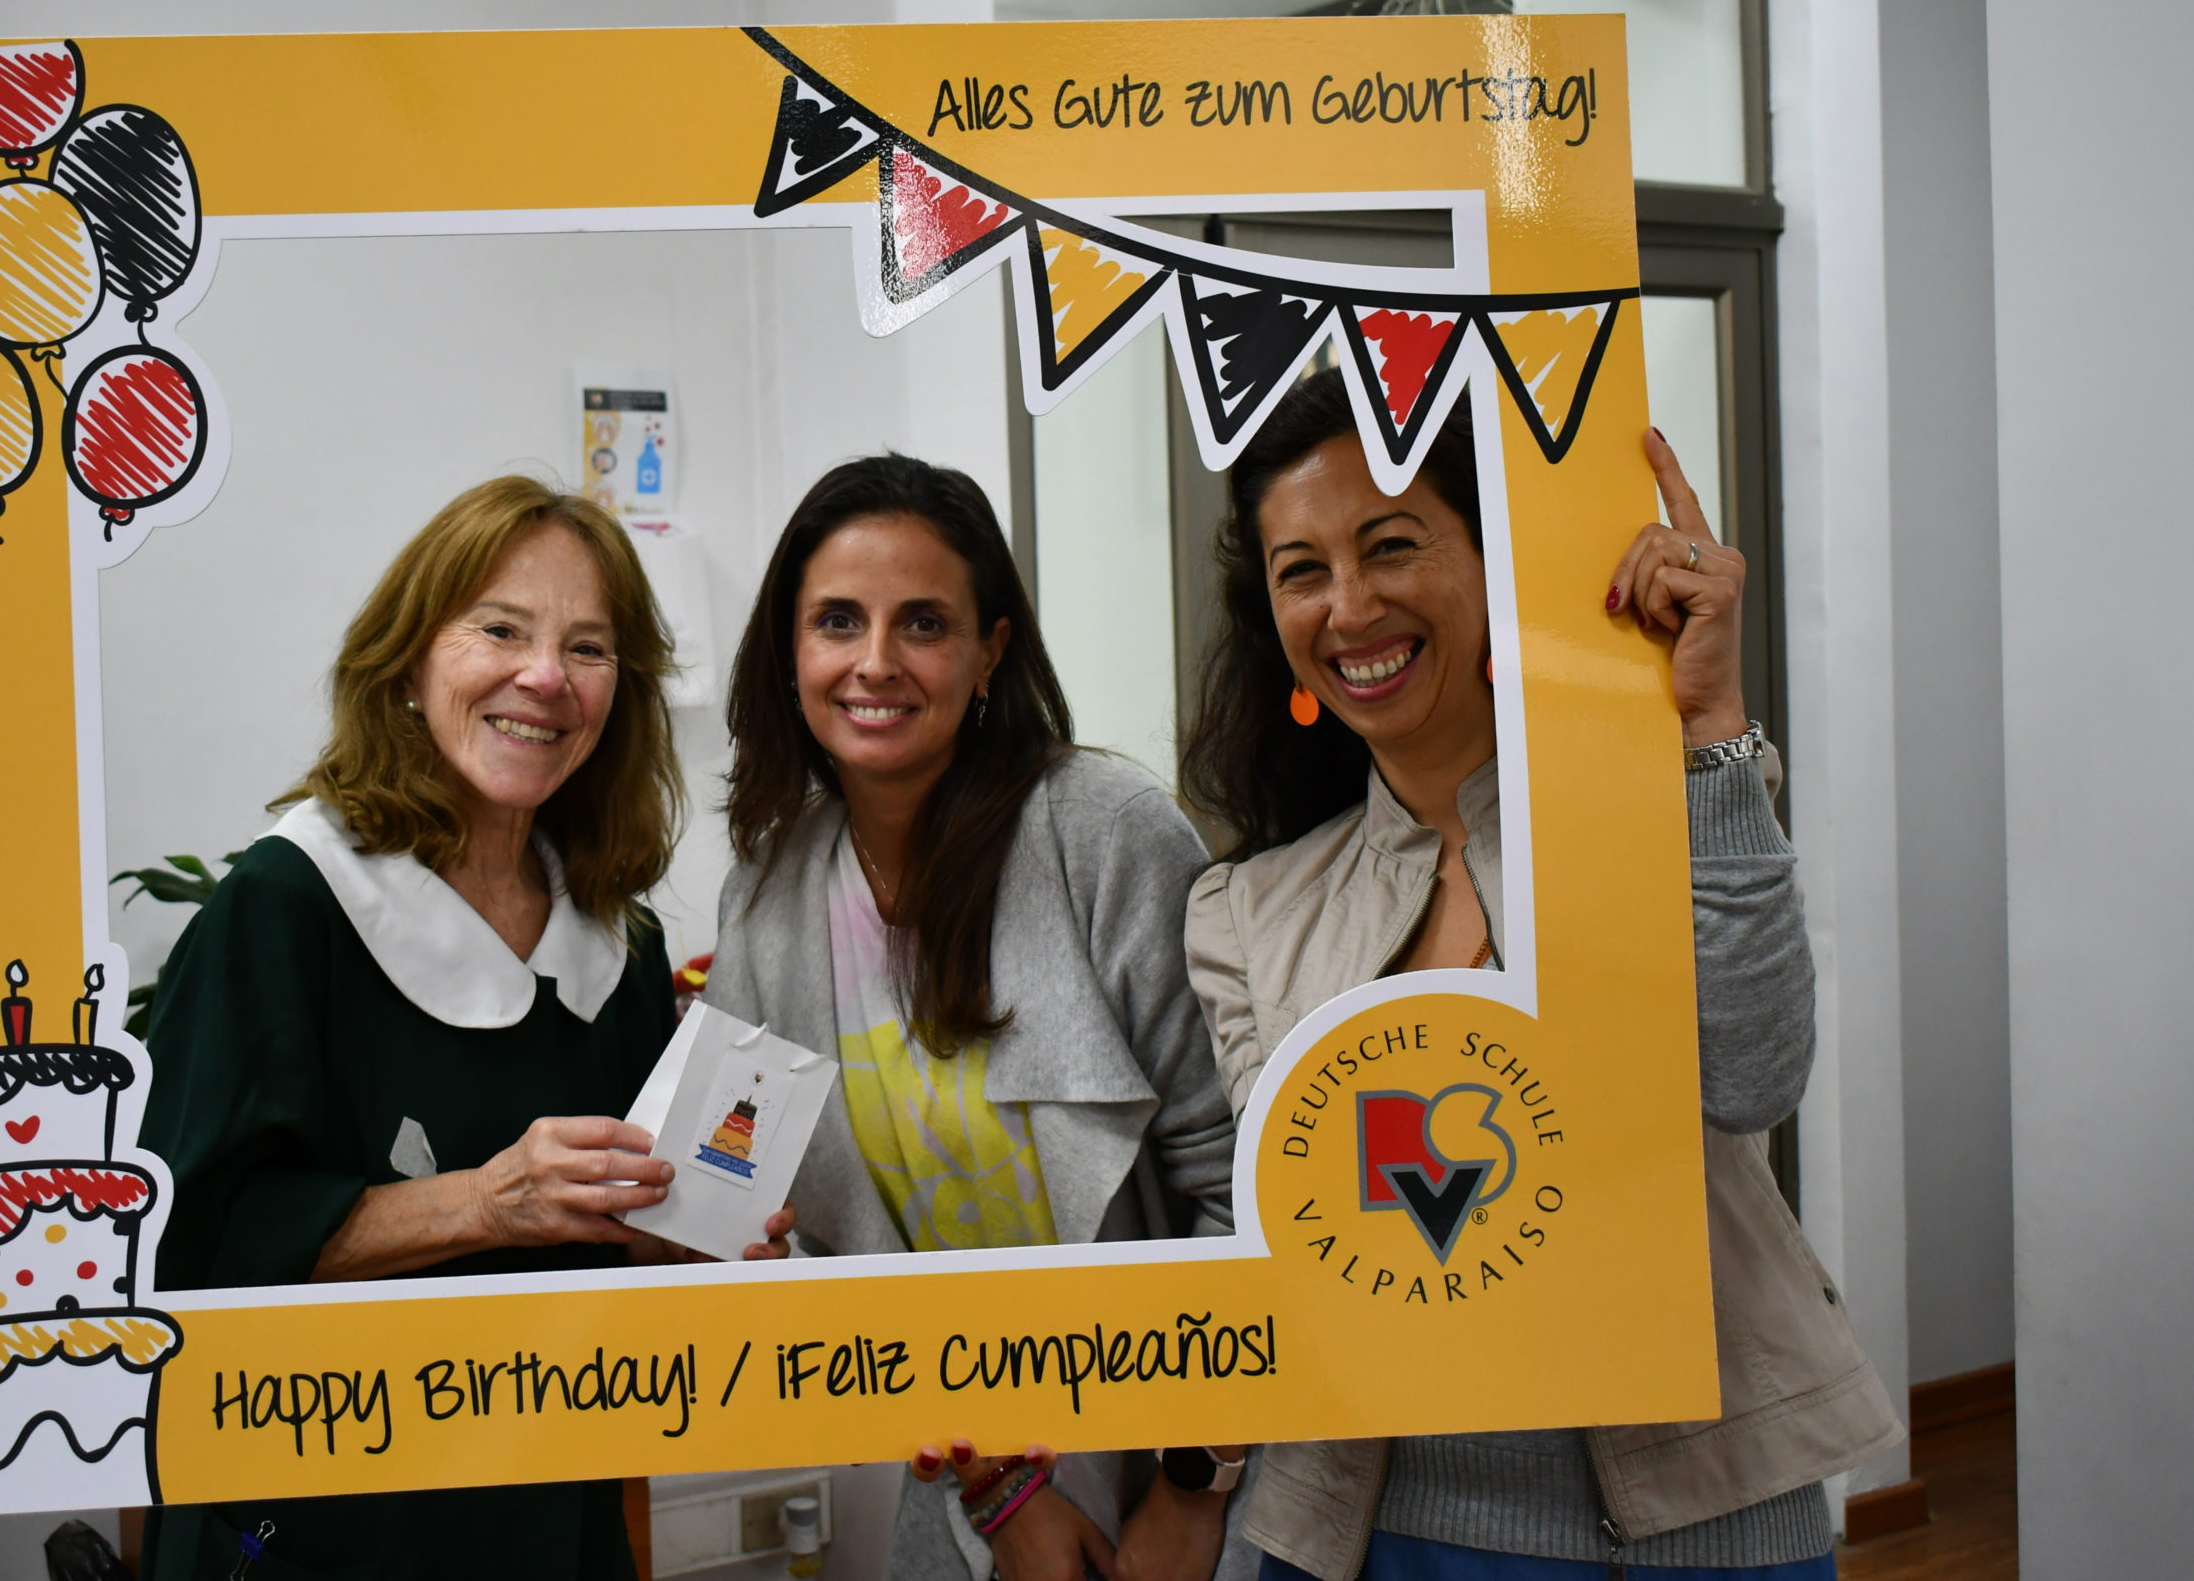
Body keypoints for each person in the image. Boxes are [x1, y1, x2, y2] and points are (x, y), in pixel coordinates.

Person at [1178, 373, 1902, 1580]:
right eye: (1302, 570)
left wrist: (1709, 727)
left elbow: (1753, 1077)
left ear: (1492, 559)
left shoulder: (1655, 806)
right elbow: (1294, 1239)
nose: (1349, 606)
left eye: (1391, 546)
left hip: (1699, 1522)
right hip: (1376, 1532)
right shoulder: (1245, 912)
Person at [136, 477, 790, 1581]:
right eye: (500, 629)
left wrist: (682, 1235)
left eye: (588, 649)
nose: (546, 677)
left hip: (551, 1513)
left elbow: (612, 1241)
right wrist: (485, 1200)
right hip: (314, 1533)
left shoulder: (616, 941)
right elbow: (182, 1244)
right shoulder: (286, 908)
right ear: (407, 663)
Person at [704, 454, 1251, 1581]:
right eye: (837, 621)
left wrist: (1192, 1489)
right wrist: (1002, 1489)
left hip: (1186, 1482)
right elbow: (738, 1206)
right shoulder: (763, 891)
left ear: (990, 650)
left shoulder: (1107, 834)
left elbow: (1247, 1186)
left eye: (924, 623)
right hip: (958, 1496)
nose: (875, 662)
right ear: (789, 651)